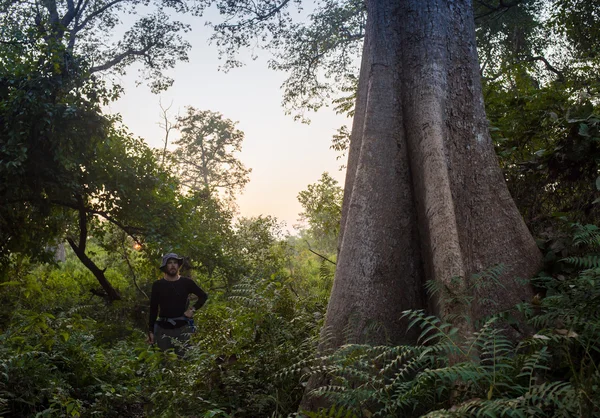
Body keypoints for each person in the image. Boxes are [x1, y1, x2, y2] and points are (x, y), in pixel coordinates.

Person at [147, 253, 208, 356]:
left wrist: (192, 309)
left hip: (182, 328)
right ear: (165, 266)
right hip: (162, 329)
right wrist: (151, 331)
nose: (172, 265)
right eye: (169, 263)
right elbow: (153, 309)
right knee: (163, 362)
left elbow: (203, 296)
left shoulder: (186, 282)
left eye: (175, 263)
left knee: (185, 361)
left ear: (178, 265)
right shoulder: (157, 285)